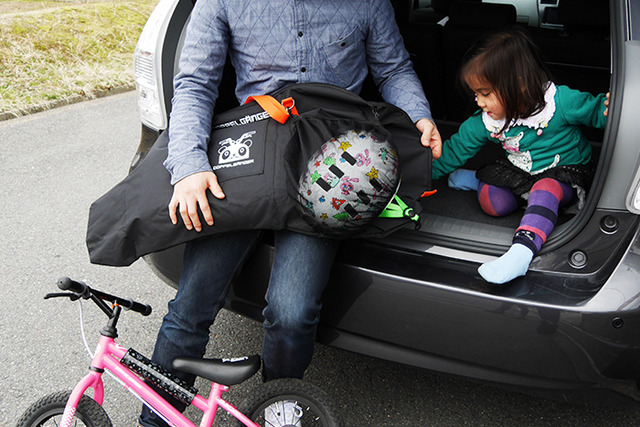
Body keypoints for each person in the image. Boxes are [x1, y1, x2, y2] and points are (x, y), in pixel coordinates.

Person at [138, 1, 442, 425]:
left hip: (329, 167)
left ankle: (275, 412)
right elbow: (194, 84)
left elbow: (393, 69)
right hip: (250, 156)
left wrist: (419, 116)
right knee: (191, 305)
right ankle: (157, 420)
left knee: (292, 313)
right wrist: (189, 165)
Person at [431, 27, 608, 285]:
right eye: (476, 94)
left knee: (546, 188)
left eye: (485, 93)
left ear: (519, 86)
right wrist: (421, 175)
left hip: (565, 174)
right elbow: (455, 150)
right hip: (522, 172)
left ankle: (521, 252)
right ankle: (475, 181)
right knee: (494, 204)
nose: (479, 102)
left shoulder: (561, 102)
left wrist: (609, 107)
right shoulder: (487, 121)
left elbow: (598, 113)